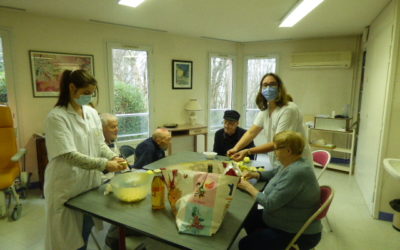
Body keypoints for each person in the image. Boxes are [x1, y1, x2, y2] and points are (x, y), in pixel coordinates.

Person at [44, 70, 127, 250]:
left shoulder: (90, 113)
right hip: (66, 185)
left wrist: (113, 156)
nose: (89, 96)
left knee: (85, 230)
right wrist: (105, 164)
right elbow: (69, 155)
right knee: (68, 242)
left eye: (92, 92)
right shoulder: (57, 117)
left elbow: (99, 144)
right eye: (86, 93)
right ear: (72, 88)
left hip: (87, 186)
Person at [237, 131, 321, 250]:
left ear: (288, 151)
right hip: (282, 219)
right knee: (246, 215)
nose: (274, 151)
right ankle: (261, 241)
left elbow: (269, 204)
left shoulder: (297, 172)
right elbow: (274, 172)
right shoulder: (294, 162)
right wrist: (255, 174)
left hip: (297, 232)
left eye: (276, 149)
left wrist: (248, 187)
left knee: (244, 245)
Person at [228, 73, 311, 168]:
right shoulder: (266, 110)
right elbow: (251, 133)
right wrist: (236, 148)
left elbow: (279, 143)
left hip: (297, 164)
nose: (268, 88)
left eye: (272, 84)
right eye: (265, 85)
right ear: (261, 89)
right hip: (279, 161)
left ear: (279, 88)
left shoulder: (289, 109)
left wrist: (248, 151)